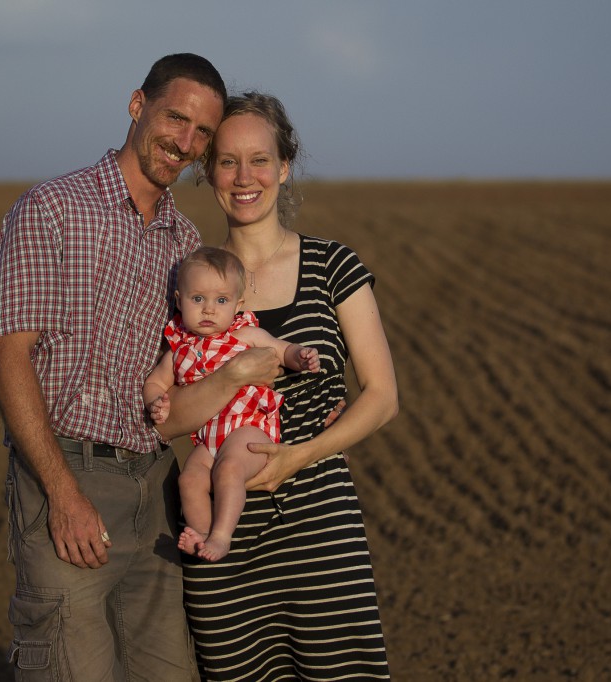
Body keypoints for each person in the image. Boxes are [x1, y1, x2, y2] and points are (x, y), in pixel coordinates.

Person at [0, 54, 282, 682]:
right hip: (69, 476)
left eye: (203, 133)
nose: (186, 142)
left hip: (156, 489)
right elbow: (6, 357)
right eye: (176, 118)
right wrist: (62, 494)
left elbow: (212, 359)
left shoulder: (183, 242)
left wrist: (309, 399)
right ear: (136, 105)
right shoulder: (53, 209)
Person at [163, 91, 399, 680]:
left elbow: (382, 396)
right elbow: (164, 418)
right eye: (226, 161)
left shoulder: (332, 266)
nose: (245, 178)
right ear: (208, 172)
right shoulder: (190, 280)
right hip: (223, 542)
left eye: (260, 160)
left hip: (321, 529)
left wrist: (297, 457)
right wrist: (232, 376)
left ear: (284, 165)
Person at [143, 246, 320, 562]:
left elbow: (280, 350)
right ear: (179, 299)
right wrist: (156, 400)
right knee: (190, 479)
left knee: (229, 470)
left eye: (220, 301)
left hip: (249, 428)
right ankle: (201, 533)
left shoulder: (245, 335)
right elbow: (156, 381)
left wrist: (300, 356)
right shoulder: (178, 350)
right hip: (211, 435)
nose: (209, 309)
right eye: (198, 299)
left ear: (238, 305)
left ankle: (222, 536)